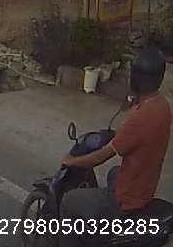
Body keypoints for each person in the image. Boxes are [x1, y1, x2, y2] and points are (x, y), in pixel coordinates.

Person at [58, 45, 170, 247]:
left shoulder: (140, 119)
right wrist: (132, 99)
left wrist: (71, 161)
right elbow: (137, 134)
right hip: (145, 188)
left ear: (136, 78)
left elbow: (99, 157)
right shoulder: (162, 105)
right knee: (114, 172)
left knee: (69, 201)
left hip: (126, 200)